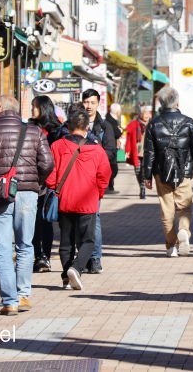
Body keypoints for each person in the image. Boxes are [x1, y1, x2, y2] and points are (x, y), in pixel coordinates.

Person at [0, 95, 53, 315]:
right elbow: (47, 163)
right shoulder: (34, 131)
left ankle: (9, 301)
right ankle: (23, 295)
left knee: (2, 249)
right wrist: (36, 182)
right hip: (27, 194)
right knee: (25, 245)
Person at [46, 105, 111, 292]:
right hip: (87, 200)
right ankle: (76, 268)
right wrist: (98, 193)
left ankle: (66, 276)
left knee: (66, 242)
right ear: (87, 128)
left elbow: (51, 175)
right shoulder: (97, 151)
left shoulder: (57, 146)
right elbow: (104, 176)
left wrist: (54, 189)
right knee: (88, 241)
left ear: (69, 125)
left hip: (65, 200)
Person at [143, 86, 193, 256]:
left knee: (166, 209)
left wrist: (146, 176)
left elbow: (149, 152)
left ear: (161, 103)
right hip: (184, 171)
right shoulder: (189, 122)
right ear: (177, 102)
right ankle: (184, 231)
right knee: (184, 206)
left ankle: (171, 245)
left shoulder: (153, 123)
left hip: (160, 172)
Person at [81, 89, 115, 274]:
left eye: (92, 102)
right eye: (86, 102)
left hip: (94, 179)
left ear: (98, 104)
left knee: (95, 218)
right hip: (76, 178)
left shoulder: (105, 127)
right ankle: (82, 257)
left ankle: (95, 258)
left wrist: (94, 151)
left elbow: (110, 153)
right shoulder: (75, 123)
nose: (88, 106)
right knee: (78, 220)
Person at [30, 95, 64, 273]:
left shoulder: (56, 130)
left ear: (43, 108)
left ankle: (46, 257)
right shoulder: (29, 127)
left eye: (34, 106)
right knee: (34, 221)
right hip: (32, 180)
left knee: (46, 220)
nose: (31, 110)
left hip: (51, 182)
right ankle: (38, 256)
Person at [125, 105, 153, 199]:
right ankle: (141, 186)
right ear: (141, 114)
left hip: (147, 152)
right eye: (144, 113)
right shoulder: (134, 124)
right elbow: (128, 138)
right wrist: (127, 150)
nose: (146, 115)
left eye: (148, 113)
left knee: (144, 172)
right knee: (138, 171)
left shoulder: (152, 124)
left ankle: (143, 189)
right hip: (137, 152)